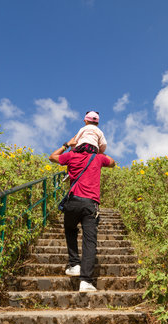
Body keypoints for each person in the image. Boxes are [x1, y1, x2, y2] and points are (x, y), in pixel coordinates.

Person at [49, 115, 115, 292]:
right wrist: (99, 154)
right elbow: (113, 163)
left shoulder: (71, 156)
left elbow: (52, 157)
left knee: (70, 228)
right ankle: (85, 281)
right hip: (90, 205)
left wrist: (66, 145)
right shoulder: (99, 158)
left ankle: (74, 264)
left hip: (73, 201)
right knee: (89, 241)